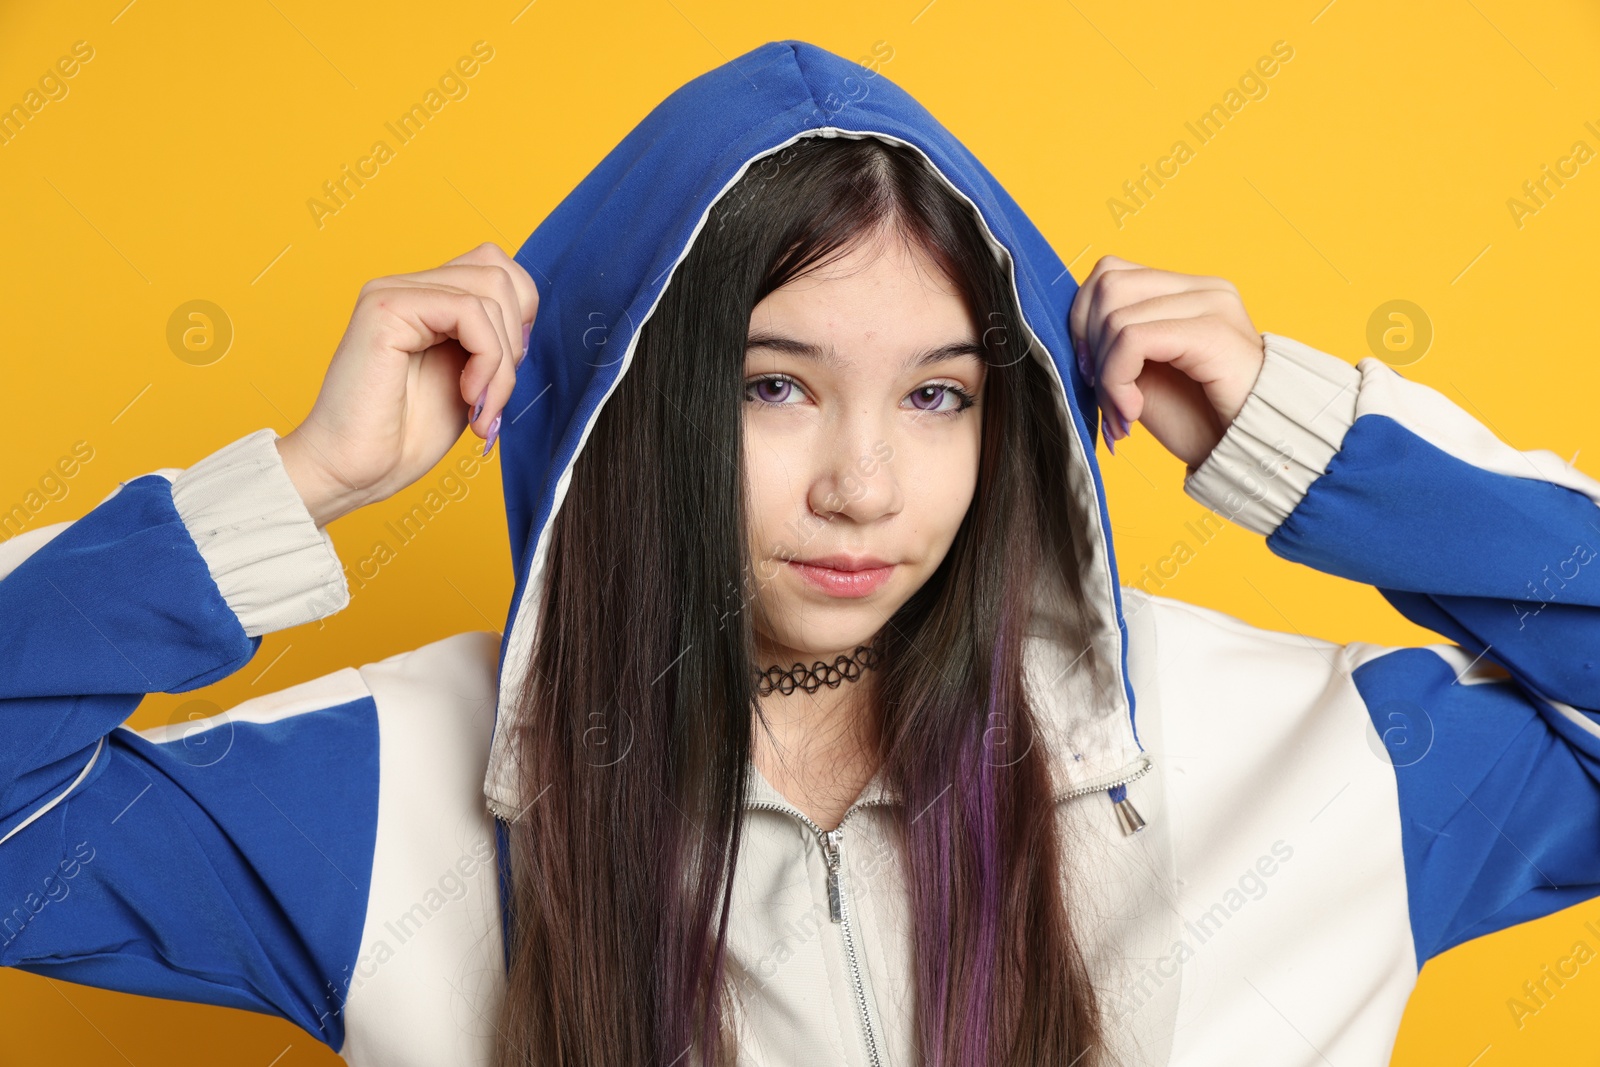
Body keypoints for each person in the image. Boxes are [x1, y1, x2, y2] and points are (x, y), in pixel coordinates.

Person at [3, 37, 1598, 1067]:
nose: (865, 484)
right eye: (776, 385)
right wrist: (302, 481)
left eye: (939, 395)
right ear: (632, 401)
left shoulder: (1297, 759)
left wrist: (1306, 442)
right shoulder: (394, 795)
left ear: (1018, 415)